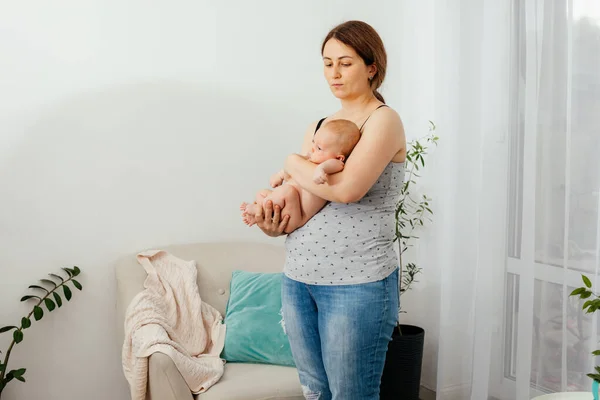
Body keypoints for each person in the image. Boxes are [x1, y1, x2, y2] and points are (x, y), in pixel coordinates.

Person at [253, 20, 406, 400]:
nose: (333, 73)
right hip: (299, 278)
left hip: (357, 286)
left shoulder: (382, 120)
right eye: (327, 63)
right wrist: (276, 224)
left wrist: (292, 160)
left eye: (346, 62)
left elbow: (348, 189)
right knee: (315, 392)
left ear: (372, 67)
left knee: (351, 395)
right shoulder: (321, 126)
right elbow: (305, 205)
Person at [240, 119, 360, 234]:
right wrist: (280, 175)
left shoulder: (332, 165)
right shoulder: (311, 158)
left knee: (288, 191)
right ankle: (259, 215)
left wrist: (321, 169)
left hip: (295, 216)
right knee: (262, 193)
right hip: (284, 205)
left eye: (319, 148)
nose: (313, 149)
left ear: (339, 157)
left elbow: (335, 165)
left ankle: (260, 210)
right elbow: (293, 166)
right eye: (314, 142)